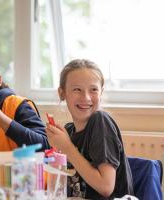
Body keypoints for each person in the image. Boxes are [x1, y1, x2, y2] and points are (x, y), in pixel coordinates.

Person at [45, 59, 134, 199]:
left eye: (93, 90)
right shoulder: (68, 131)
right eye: (77, 89)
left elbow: (106, 187)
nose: (85, 97)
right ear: (62, 93)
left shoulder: (101, 122)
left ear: (101, 92)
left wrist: (67, 148)